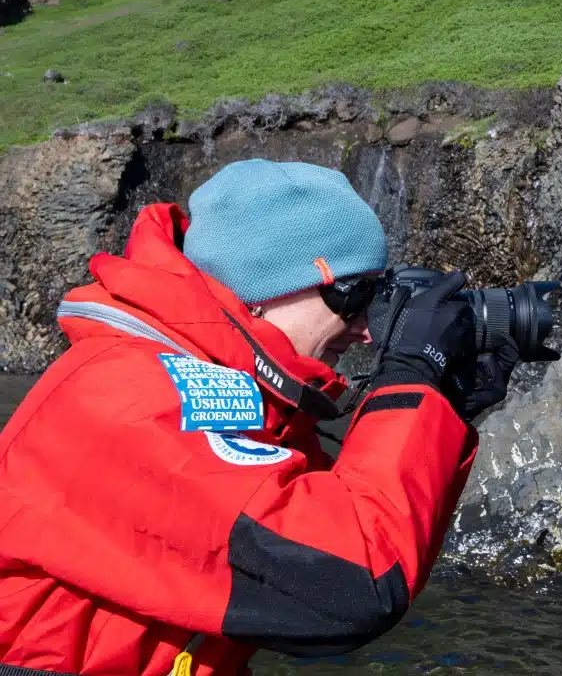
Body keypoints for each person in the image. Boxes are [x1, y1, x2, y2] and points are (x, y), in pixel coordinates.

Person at [0, 160, 517, 676]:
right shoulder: (131, 397)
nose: (365, 330)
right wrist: (411, 375)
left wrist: (442, 404)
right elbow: (349, 587)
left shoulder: (233, 398)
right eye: (354, 296)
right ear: (262, 289)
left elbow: (365, 556)